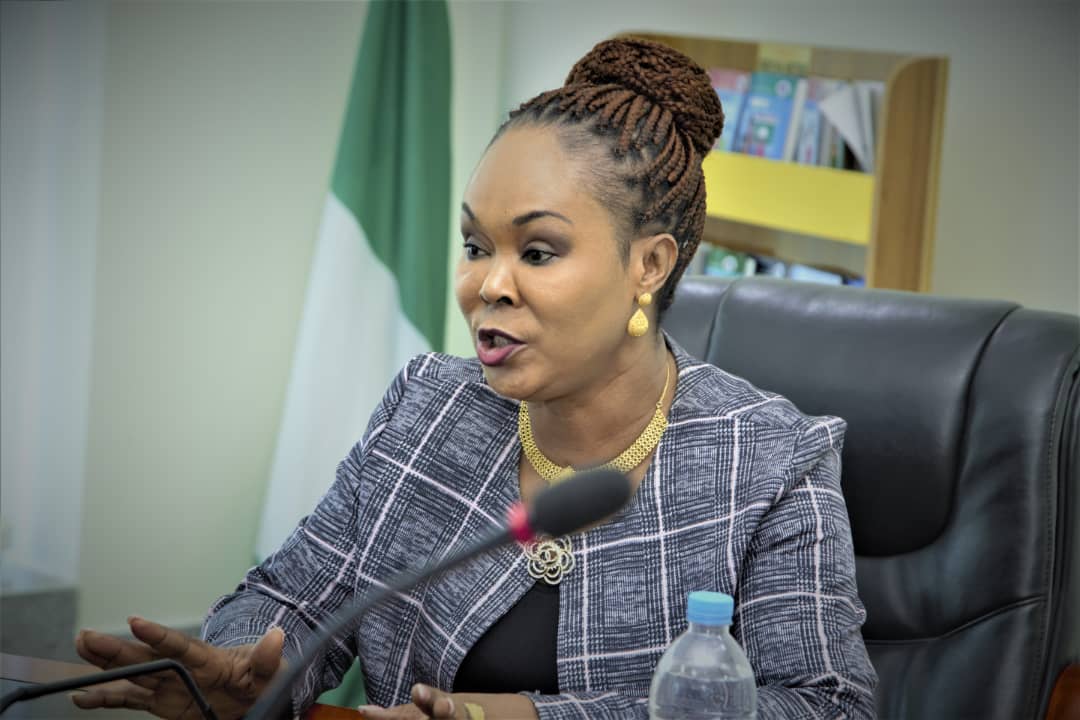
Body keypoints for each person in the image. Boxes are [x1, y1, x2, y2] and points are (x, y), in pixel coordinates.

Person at [73, 37, 877, 720]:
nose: (486, 285)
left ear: (649, 265)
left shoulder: (770, 462)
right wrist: (245, 664)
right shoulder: (428, 407)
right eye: (474, 246)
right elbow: (294, 596)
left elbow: (825, 705)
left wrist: (523, 718)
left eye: (538, 251)